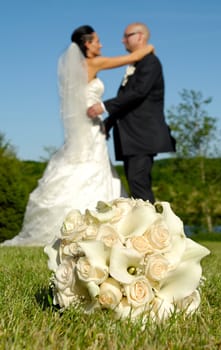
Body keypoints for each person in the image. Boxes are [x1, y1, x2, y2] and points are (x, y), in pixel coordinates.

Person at [1, 25, 154, 247]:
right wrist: (148, 45)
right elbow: (133, 56)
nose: (101, 45)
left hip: (87, 127)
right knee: (91, 170)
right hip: (91, 128)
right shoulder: (93, 63)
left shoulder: (77, 69)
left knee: (86, 169)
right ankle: (93, 227)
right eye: (97, 41)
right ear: (87, 44)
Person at [88, 22, 176, 204]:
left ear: (140, 36)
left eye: (127, 36)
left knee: (139, 185)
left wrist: (103, 107)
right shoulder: (137, 64)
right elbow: (127, 100)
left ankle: (150, 229)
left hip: (142, 136)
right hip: (132, 138)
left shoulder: (151, 62)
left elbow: (138, 93)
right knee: (136, 184)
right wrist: (109, 123)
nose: (122, 40)